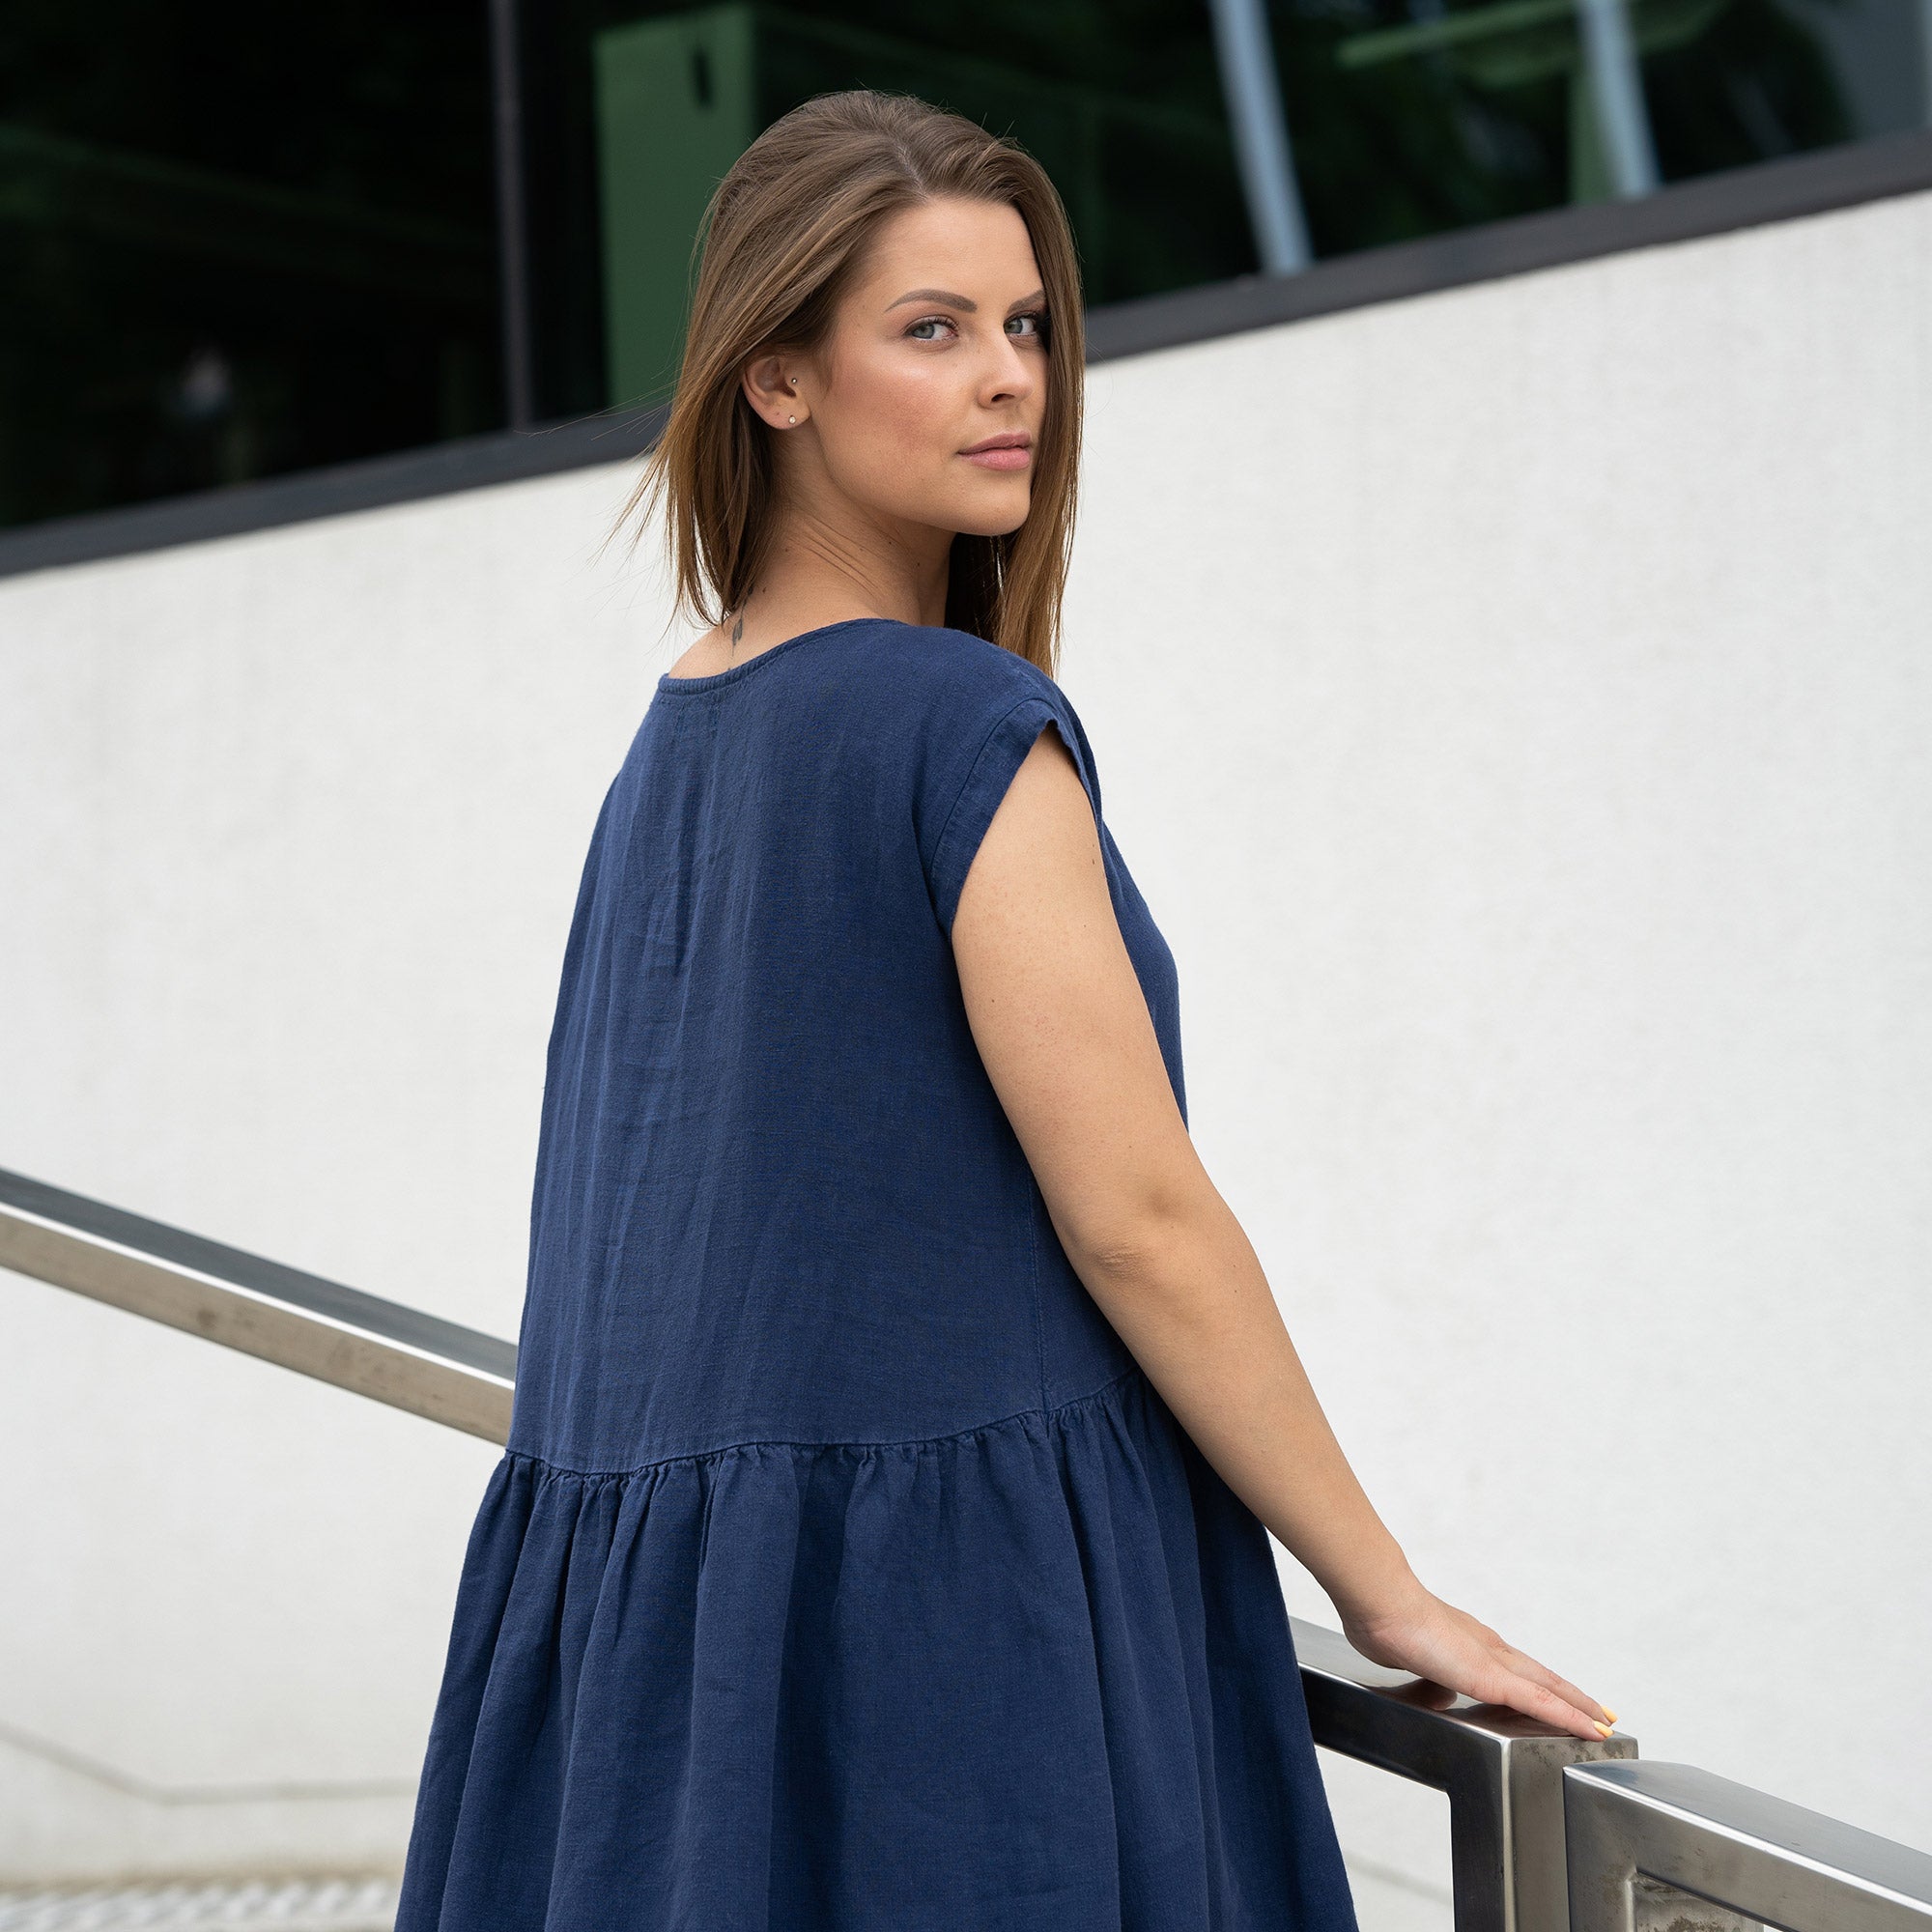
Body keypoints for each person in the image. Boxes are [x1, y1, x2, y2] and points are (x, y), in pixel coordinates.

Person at [394, 88, 1612, 1932]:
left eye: (1027, 325)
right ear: (775, 379)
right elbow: (1137, 1217)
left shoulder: (678, 746)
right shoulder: (954, 731)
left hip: (714, 1680)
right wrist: (1385, 1593)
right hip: (964, 1659)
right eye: (932, 329)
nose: (1009, 379)